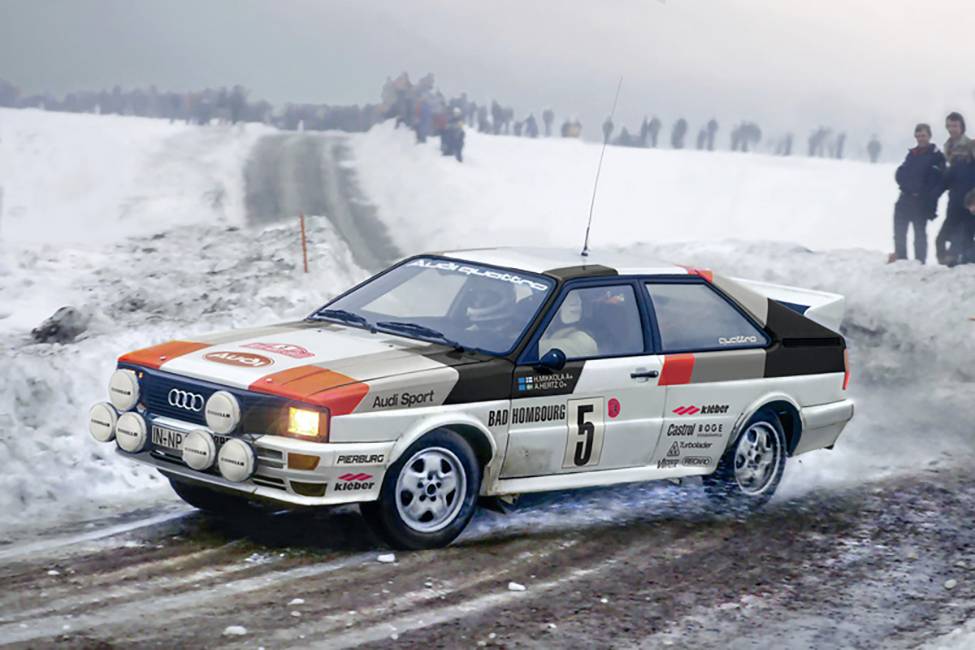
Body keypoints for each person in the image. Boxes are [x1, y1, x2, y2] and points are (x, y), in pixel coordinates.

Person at [890, 124, 945, 264]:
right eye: (918, 136)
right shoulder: (912, 154)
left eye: (923, 136)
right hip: (904, 198)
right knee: (899, 233)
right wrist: (905, 183)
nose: (920, 139)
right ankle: (901, 261)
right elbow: (901, 173)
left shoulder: (936, 156)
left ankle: (919, 263)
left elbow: (936, 181)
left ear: (929, 136)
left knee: (919, 235)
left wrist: (924, 196)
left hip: (921, 202)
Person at [936, 112, 975, 265]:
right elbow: (950, 172)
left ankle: (962, 262)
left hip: (969, 197)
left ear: (962, 127)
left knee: (964, 235)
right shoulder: (948, 146)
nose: (952, 129)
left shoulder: (970, 145)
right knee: (949, 235)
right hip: (954, 197)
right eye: (949, 126)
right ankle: (953, 261)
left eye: (955, 126)